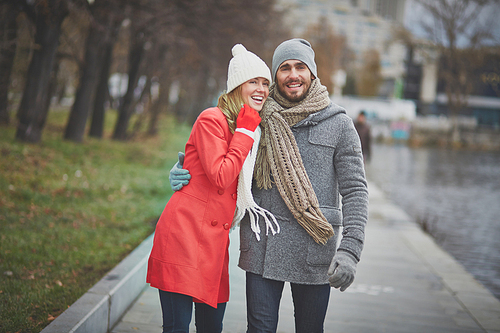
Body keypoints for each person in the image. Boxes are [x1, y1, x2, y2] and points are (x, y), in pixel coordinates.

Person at [170, 38, 369, 333]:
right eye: (284, 68)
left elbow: (355, 190)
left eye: (300, 67)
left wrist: (350, 251)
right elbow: (220, 160)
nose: (293, 75)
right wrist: (183, 173)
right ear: (275, 75)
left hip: (314, 250)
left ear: (312, 73)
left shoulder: (339, 123)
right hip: (263, 247)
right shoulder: (255, 116)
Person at [147, 43, 272, 333]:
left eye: (265, 83)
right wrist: (243, 132)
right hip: (184, 235)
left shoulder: (254, 127)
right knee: (177, 327)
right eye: (253, 81)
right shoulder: (212, 119)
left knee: (211, 328)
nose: (261, 89)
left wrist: (247, 130)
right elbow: (220, 175)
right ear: (236, 86)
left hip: (214, 246)